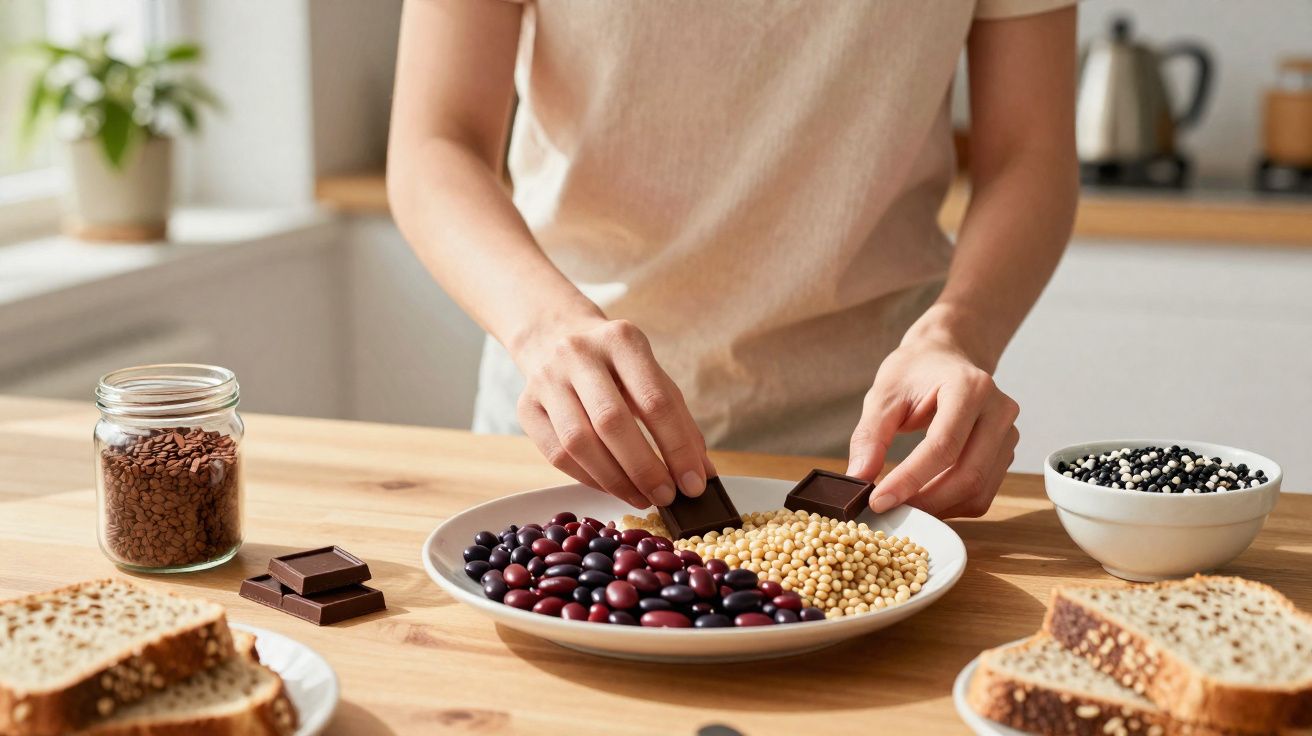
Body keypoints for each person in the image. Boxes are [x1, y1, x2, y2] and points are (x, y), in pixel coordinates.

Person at [387, 0, 1078, 518]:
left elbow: (1029, 154)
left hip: (876, 440)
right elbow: (435, 142)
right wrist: (544, 328)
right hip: (573, 428)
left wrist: (956, 334)